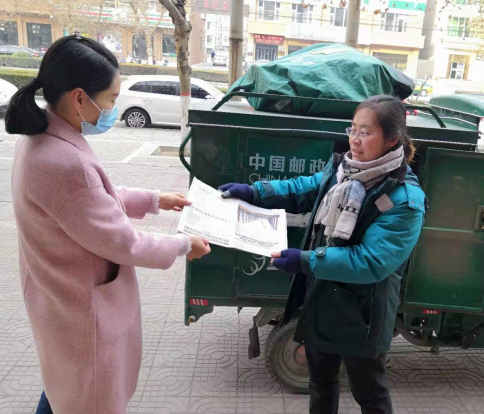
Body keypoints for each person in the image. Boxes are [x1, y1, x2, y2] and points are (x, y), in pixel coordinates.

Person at [5, 35, 211, 414]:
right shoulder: (63, 161)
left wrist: (153, 200)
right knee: (86, 396)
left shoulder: (42, 139)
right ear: (79, 97)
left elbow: (92, 201)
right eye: (111, 99)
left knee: (63, 389)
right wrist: (184, 245)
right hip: (81, 313)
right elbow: (124, 242)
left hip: (58, 299)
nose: (113, 109)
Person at [219, 95, 426, 414]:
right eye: (352, 129)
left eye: (366, 132)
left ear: (392, 138)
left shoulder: (404, 200)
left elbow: (371, 262)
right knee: (321, 384)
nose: (355, 140)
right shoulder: (343, 170)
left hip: (363, 316)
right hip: (322, 300)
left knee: (369, 395)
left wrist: (305, 260)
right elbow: (303, 188)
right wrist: (255, 192)